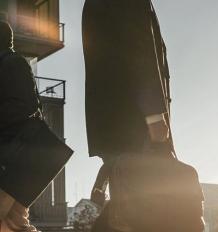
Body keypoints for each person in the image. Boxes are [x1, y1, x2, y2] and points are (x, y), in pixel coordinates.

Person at [82, 0, 172, 231]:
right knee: (141, 210)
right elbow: (138, 48)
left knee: (126, 207)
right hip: (133, 122)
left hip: (113, 124)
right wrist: (153, 114)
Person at [0, 20, 39, 232]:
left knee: (14, 221)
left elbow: (26, 106)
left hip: (11, 157)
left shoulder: (13, 63)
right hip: (14, 157)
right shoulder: (10, 62)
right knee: (14, 221)